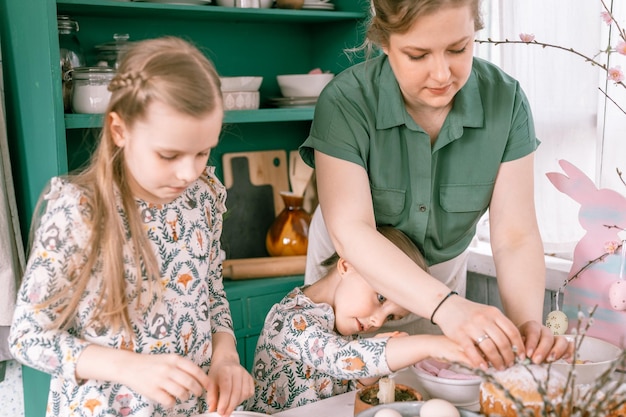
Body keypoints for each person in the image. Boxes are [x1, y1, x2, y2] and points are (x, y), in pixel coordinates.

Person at [299, 0, 572, 372]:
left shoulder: (505, 102)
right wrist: (446, 306)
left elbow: (515, 236)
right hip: (351, 280)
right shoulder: (347, 101)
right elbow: (352, 231)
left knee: (425, 389)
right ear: (384, 42)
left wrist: (527, 325)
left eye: (458, 49)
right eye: (417, 55)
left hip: (440, 278)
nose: (442, 74)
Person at [9, 37, 253, 417]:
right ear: (120, 131)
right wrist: (130, 368)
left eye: (203, 151)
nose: (189, 172)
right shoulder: (81, 210)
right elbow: (27, 338)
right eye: (168, 155)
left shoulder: (203, 196)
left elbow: (210, 291)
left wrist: (226, 355)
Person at [245, 227, 471, 414]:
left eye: (391, 316)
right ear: (347, 266)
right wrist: (431, 344)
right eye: (381, 298)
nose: (378, 321)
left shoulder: (341, 318)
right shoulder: (292, 319)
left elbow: (342, 386)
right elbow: (340, 359)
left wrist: (368, 376)